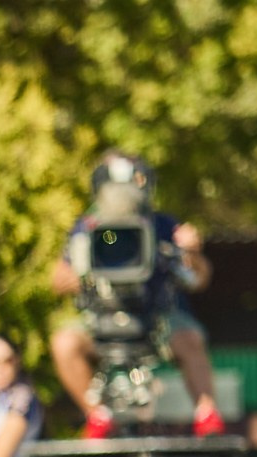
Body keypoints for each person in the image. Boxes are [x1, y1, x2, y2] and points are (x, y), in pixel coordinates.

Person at [49, 151, 226, 440]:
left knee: (189, 338)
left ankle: (207, 414)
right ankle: (97, 416)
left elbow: (200, 279)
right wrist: (71, 277)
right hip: (102, 318)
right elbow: (60, 276)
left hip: (155, 320)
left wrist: (191, 253)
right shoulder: (92, 229)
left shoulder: (162, 226)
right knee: (65, 343)